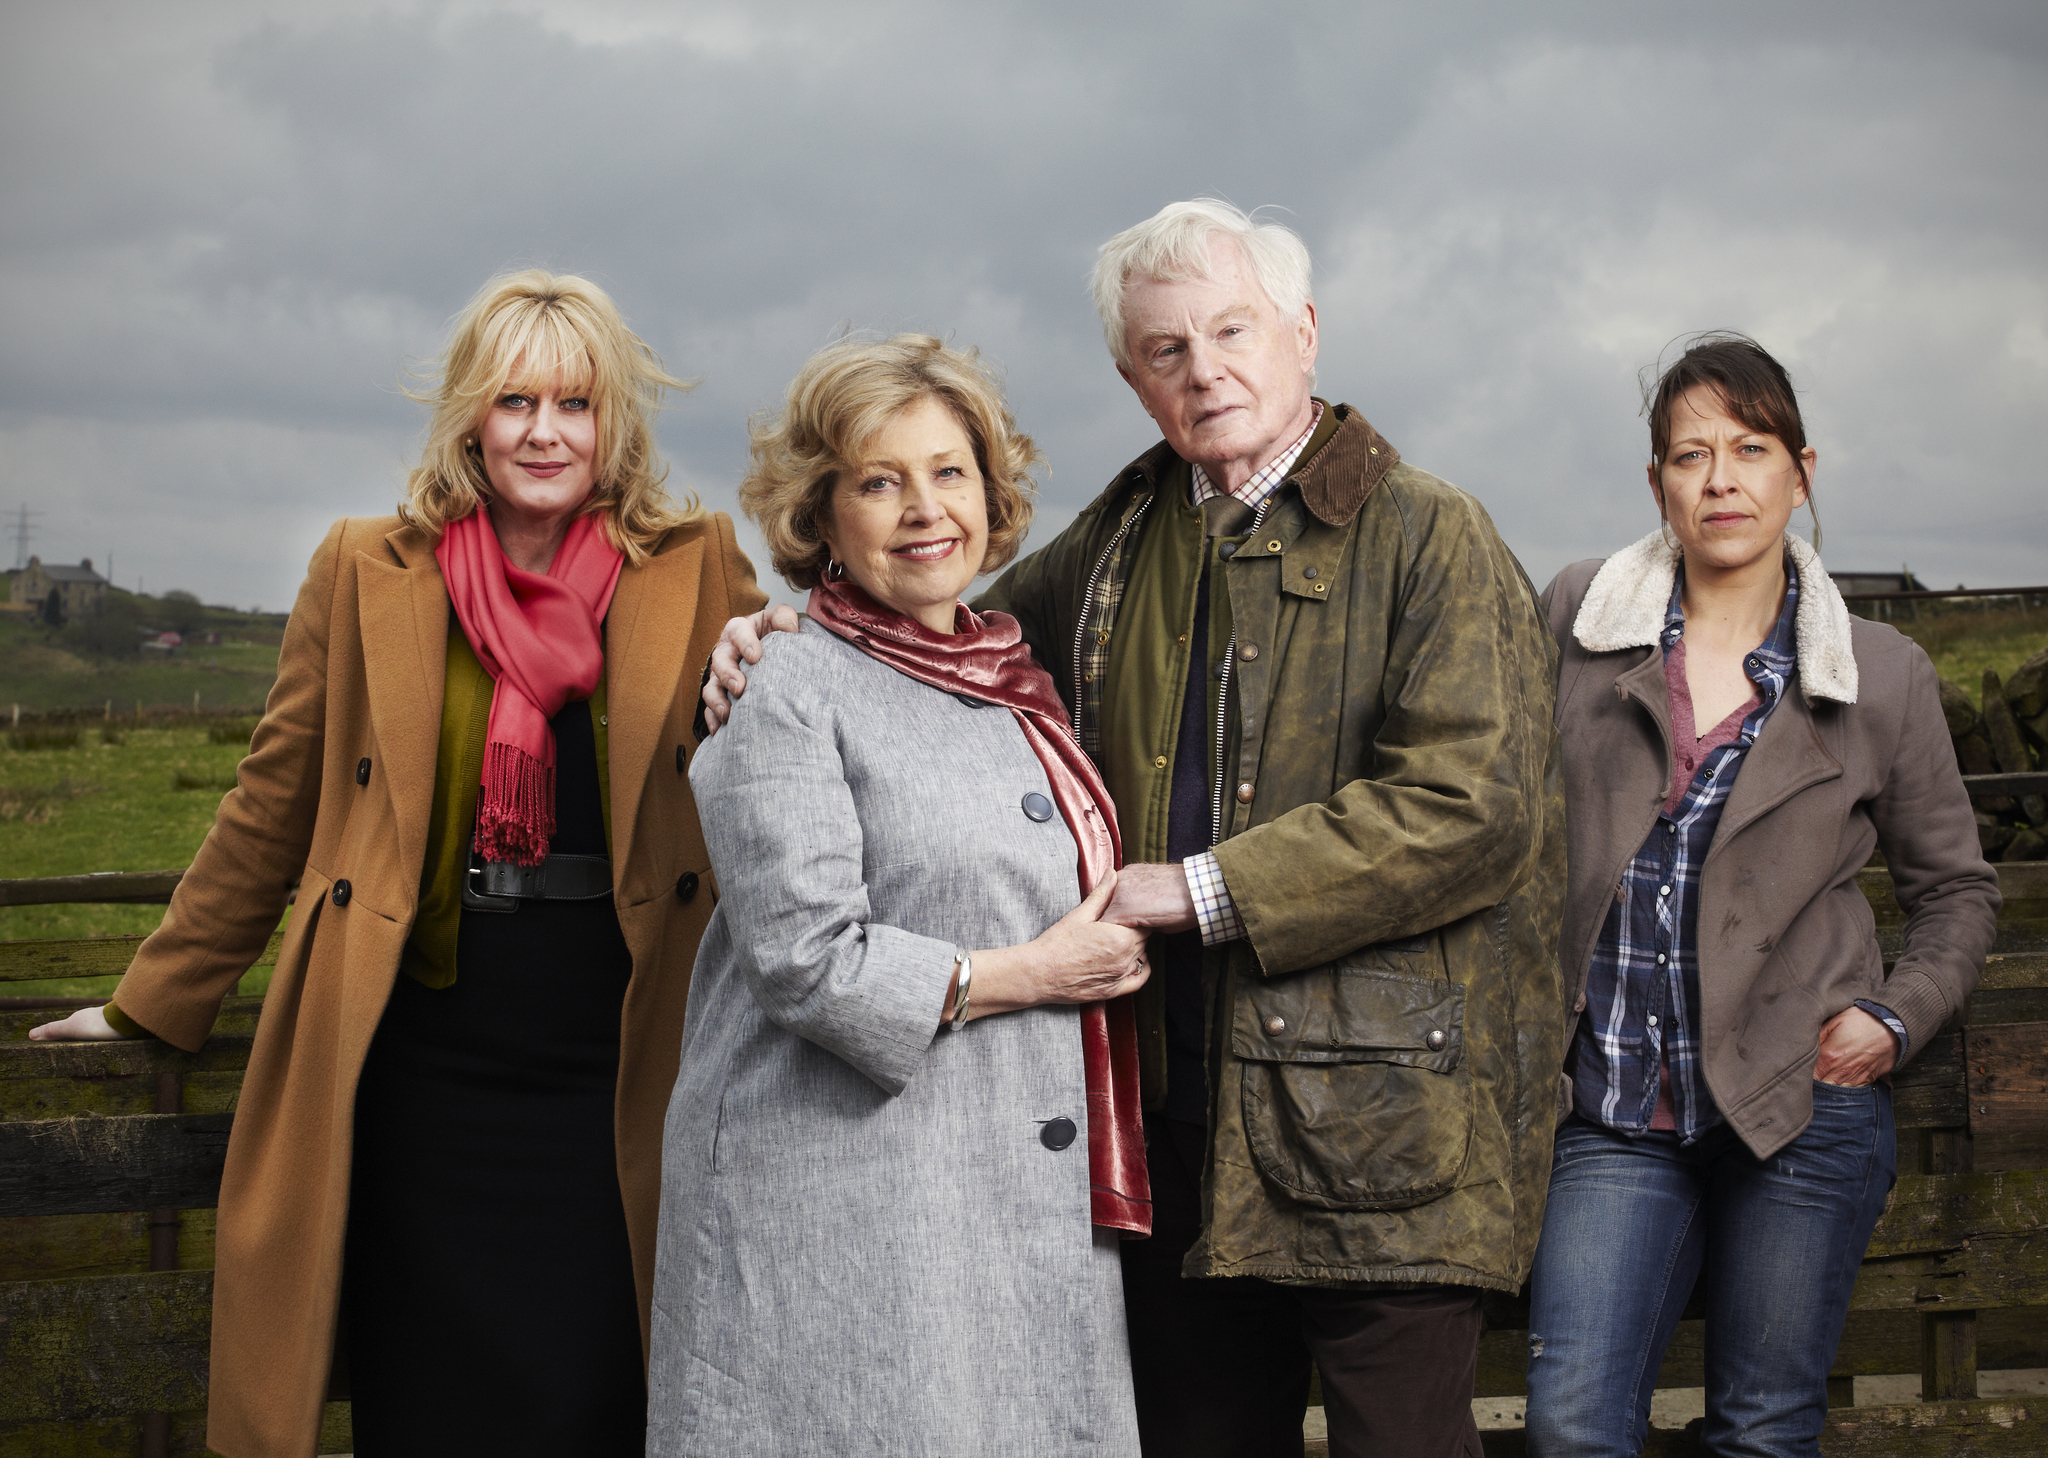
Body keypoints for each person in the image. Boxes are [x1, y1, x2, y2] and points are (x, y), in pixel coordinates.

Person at [703, 200, 1568, 1458]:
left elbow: (1471, 808)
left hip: (1385, 1140)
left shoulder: (1431, 535)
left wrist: (1201, 891)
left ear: (1303, 334)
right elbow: (934, 644)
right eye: (1165, 348)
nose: (1203, 368)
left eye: (1231, 329)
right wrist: (774, 635)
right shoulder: (1113, 542)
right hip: (1173, 1136)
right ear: (1130, 375)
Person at [32, 270, 768, 1458]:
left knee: (603, 1391)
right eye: (515, 401)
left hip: (620, 1063)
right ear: (471, 417)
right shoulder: (367, 566)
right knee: (430, 1402)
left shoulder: (692, 565)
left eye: (574, 405)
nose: (543, 432)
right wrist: (150, 1003)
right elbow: (270, 804)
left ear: (613, 422)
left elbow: (769, 762)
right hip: (422, 1064)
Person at [645, 334, 1149, 1456]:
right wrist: (1032, 975)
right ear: (820, 516)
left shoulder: (1016, 680)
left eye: (948, 472)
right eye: (880, 481)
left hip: (991, 1198)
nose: (924, 509)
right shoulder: (783, 684)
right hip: (838, 1208)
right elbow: (806, 962)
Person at [1522, 334, 2002, 1457]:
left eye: (1750, 447)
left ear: (1800, 469)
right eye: (1689, 454)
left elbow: (1958, 892)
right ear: (1655, 483)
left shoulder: (1878, 673)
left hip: (1797, 1113)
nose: (1720, 478)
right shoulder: (1577, 620)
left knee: (1760, 1429)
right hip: (1610, 1112)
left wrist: (1889, 1019)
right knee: (1570, 1423)